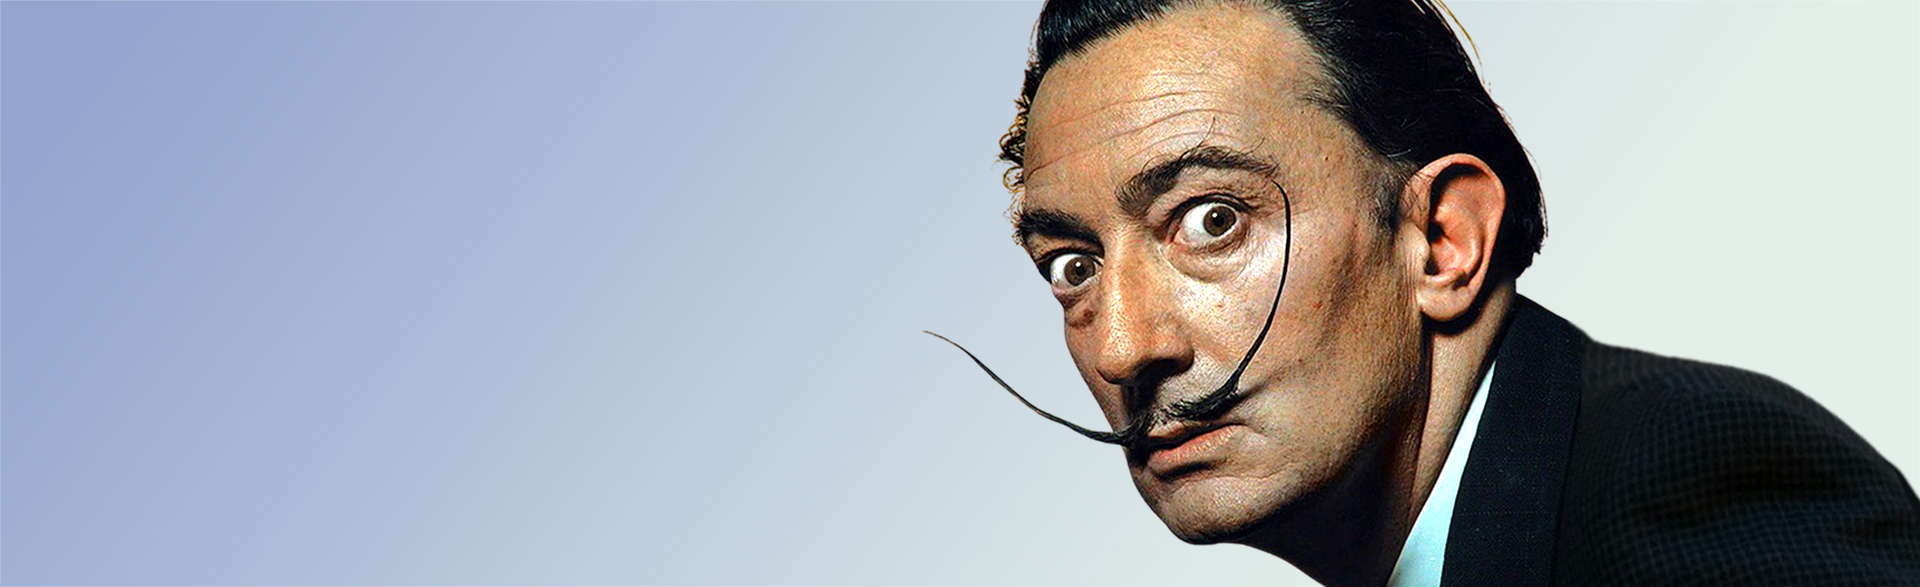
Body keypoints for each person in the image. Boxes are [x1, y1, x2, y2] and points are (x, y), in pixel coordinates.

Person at [957, 0, 1920, 584]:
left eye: (1212, 220)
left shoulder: (1685, 483)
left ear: (1444, 239)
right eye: (1072, 265)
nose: (1123, 347)